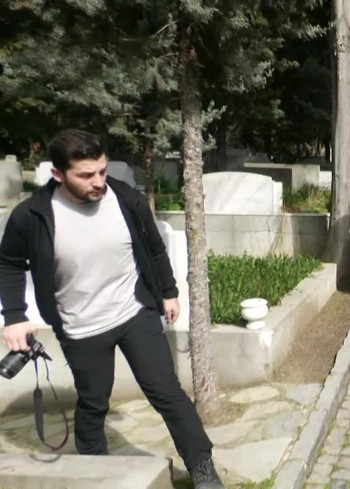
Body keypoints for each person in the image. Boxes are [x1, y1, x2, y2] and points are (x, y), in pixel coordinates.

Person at [0, 130, 223, 489]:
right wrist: (14, 316)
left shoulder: (125, 198)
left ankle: (203, 469)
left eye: (102, 171)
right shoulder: (32, 216)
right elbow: (9, 263)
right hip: (80, 327)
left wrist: (168, 292)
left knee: (167, 392)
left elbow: (153, 248)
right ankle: (95, 475)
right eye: (86, 175)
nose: (98, 182)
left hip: (134, 312)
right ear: (58, 174)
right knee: (93, 402)